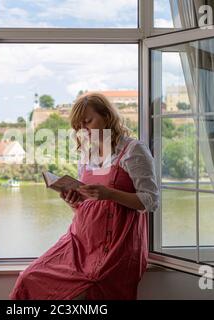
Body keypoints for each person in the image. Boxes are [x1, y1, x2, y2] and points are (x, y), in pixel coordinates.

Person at [9, 92, 159, 300]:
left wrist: (110, 194)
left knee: (88, 290)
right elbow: (87, 206)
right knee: (29, 277)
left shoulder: (133, 150)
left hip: (117, 246)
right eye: (79, 126)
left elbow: (151, 201)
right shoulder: (87, 155)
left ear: (107, 116)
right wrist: (74, 201)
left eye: (88, 121)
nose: (84, 129)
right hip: (80, 241)